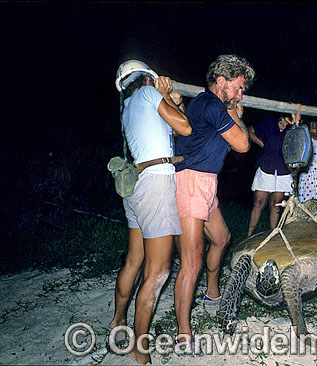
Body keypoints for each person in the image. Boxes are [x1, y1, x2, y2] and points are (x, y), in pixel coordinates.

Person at [110, 60, 192, 364]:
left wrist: (171, 101)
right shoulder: (147, 95)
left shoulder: (128, 105)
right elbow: (184, 127)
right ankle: (138, 346)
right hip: (156, 185)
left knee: (134, 260)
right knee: (158, 271)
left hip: (135, 186)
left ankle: (117, 320)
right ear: (148, 79)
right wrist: (167, 97)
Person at [173, 54, 255, 351]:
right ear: (221, 81)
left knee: (222, 239)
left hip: (206, 182)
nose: (240, 94)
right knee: (191, 261)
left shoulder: (213, 105)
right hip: (191, 181)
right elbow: (243, 145)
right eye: (238, 87)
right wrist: (236, 114)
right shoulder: (209, 104)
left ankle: (211, 292)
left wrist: (232, 109)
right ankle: (184, 334)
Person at [247, 115, 292, 237]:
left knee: (276, 205)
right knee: (258, 202)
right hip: (266, 167)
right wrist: (261, 143)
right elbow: (250, 131)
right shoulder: (269, 122)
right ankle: (249, 235)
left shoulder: (293, 128)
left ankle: (273, 236)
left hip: (283, 170)